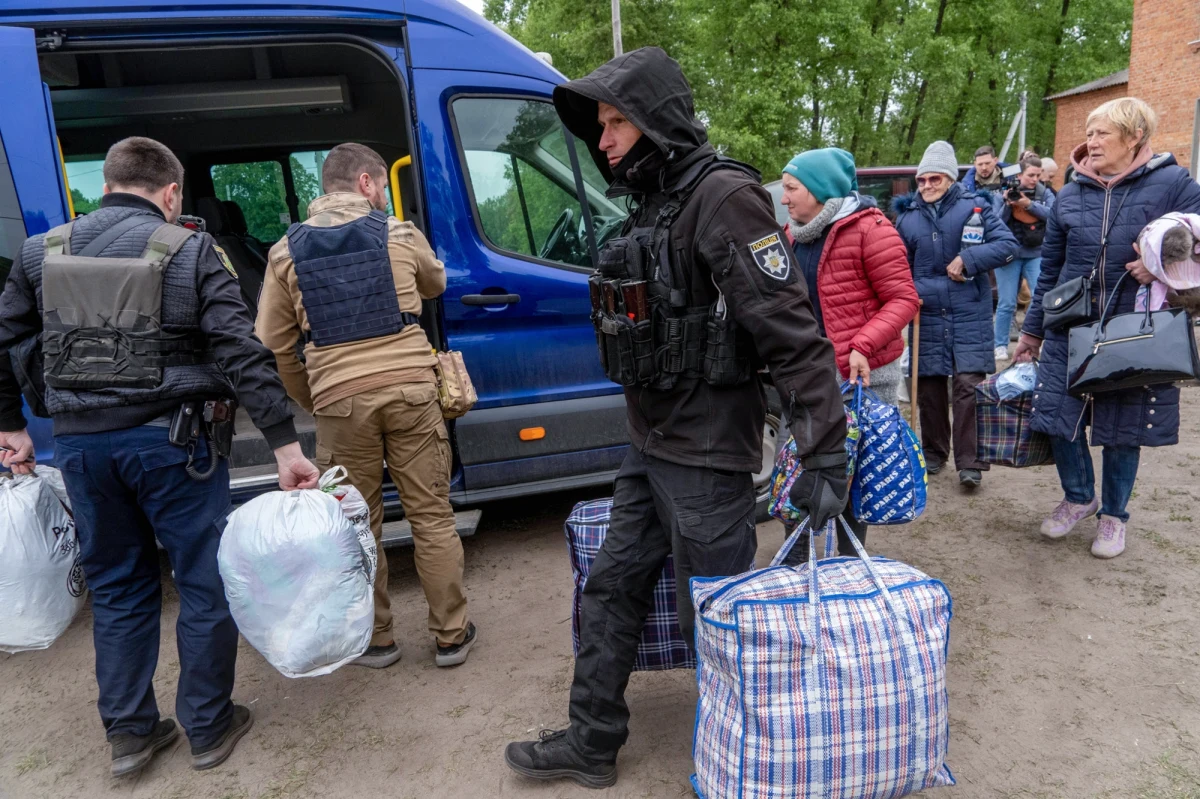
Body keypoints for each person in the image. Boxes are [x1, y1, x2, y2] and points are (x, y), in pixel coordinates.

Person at [503, 46, 848, 789]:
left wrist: (825, 450)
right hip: (650, 445)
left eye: (616, 122)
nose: (603, 141)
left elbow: (791, 331)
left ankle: (750, 766)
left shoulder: (723, 198)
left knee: (716, 621)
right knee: (610, 588)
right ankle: (592, 741)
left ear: (655, 121)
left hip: (708, 456)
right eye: (600, 125)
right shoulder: (655, 201)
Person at [0, 136, 319, 776]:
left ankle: (130, 734)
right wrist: (285, 444)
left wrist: (12, 426)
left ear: (105, 186)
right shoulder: (192, 249)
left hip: (83, 449)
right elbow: (240, 349)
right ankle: (208, 724)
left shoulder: (39, 253)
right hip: (176, 446)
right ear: (171, 193)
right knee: (203, 579)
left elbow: (5, 340)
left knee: (117, 586)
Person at [255, 143, 473, 668]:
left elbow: (274, 343)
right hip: (413, 392)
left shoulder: (284, 252)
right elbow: (436, 283)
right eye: (380, 188)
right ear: (368, 183)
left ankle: (378, 640)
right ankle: (451, 635)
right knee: (431, 516)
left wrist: (315, 398)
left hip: (338, 401)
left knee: (356, 525)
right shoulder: (399, 233)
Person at [1013, 97, 1200, 558]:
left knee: (1123, 426)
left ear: (1135, 136)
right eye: (1089, 133)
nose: (1091, 142)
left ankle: (1114, 516)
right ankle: (1079, 496)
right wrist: (1032, 332)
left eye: (1102, 133)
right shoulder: (1071, 191)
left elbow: (1196, 246)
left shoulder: (1173, 183)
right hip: (1069, 323)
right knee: (1058, 416)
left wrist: (1159, 266)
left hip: (1133, 326)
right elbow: (1050, 268)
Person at [778, 146, 919, 558]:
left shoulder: (871, 229)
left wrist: (863, 344)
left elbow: (904, 299)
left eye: (791, 188)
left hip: (861, 374)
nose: (784, 198)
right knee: (797, 463)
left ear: (820, 189)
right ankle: (796, 561)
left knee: (852, 473)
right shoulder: (791, 233)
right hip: (806, 370)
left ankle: (850, 560)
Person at [894, 140, 1018, 489]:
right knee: (930, 387)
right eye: (921, 180)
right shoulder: (907, 218)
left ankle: (970, 463)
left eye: (934, 178)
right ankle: (934, 453)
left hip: (968, 311)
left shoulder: (975, 207)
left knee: (968, 386)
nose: (927, 186)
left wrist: (969, 259)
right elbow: (898, 266)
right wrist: (906, 294)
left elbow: (1008, 245)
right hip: (927, 313)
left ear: (949, 179)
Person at [995, 156, 1055, 361]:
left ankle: (1028, 338)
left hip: (1035, 253)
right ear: (1019, 175)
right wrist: (1007, 203)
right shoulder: (1004, 191)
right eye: (1030, 175)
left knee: (1040, 298)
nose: (1035, 179)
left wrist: (1028, 204)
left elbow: (1053, 215)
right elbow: (996, 222)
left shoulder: (1044, 193)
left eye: (1038, 175)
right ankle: (1000, 345)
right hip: (1008, 254)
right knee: (1006, 302)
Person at [961, 145, 1006, 211]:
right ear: (975, 164)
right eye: (980, 164)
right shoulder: (965, 186)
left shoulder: (1010, 177)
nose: (984, 168)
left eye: (987, 163)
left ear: (995, 160)